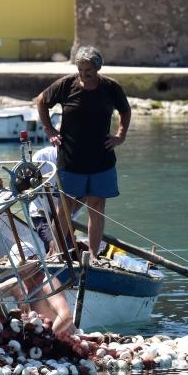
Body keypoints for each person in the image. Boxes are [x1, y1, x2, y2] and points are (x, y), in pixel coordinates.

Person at [35, 45, 131, 261]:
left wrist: (120, 135)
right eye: (80, 70)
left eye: (88, 71)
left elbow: (125, 110)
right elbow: (41, 101)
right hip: (70, 159)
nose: (83, 75)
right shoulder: (66, 85)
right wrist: (49, 130)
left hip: (101, 159)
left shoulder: (110, 87)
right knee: (64, 209)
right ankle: (56, 252)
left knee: (96, 208)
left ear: (97, 69)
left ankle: (94, 255)